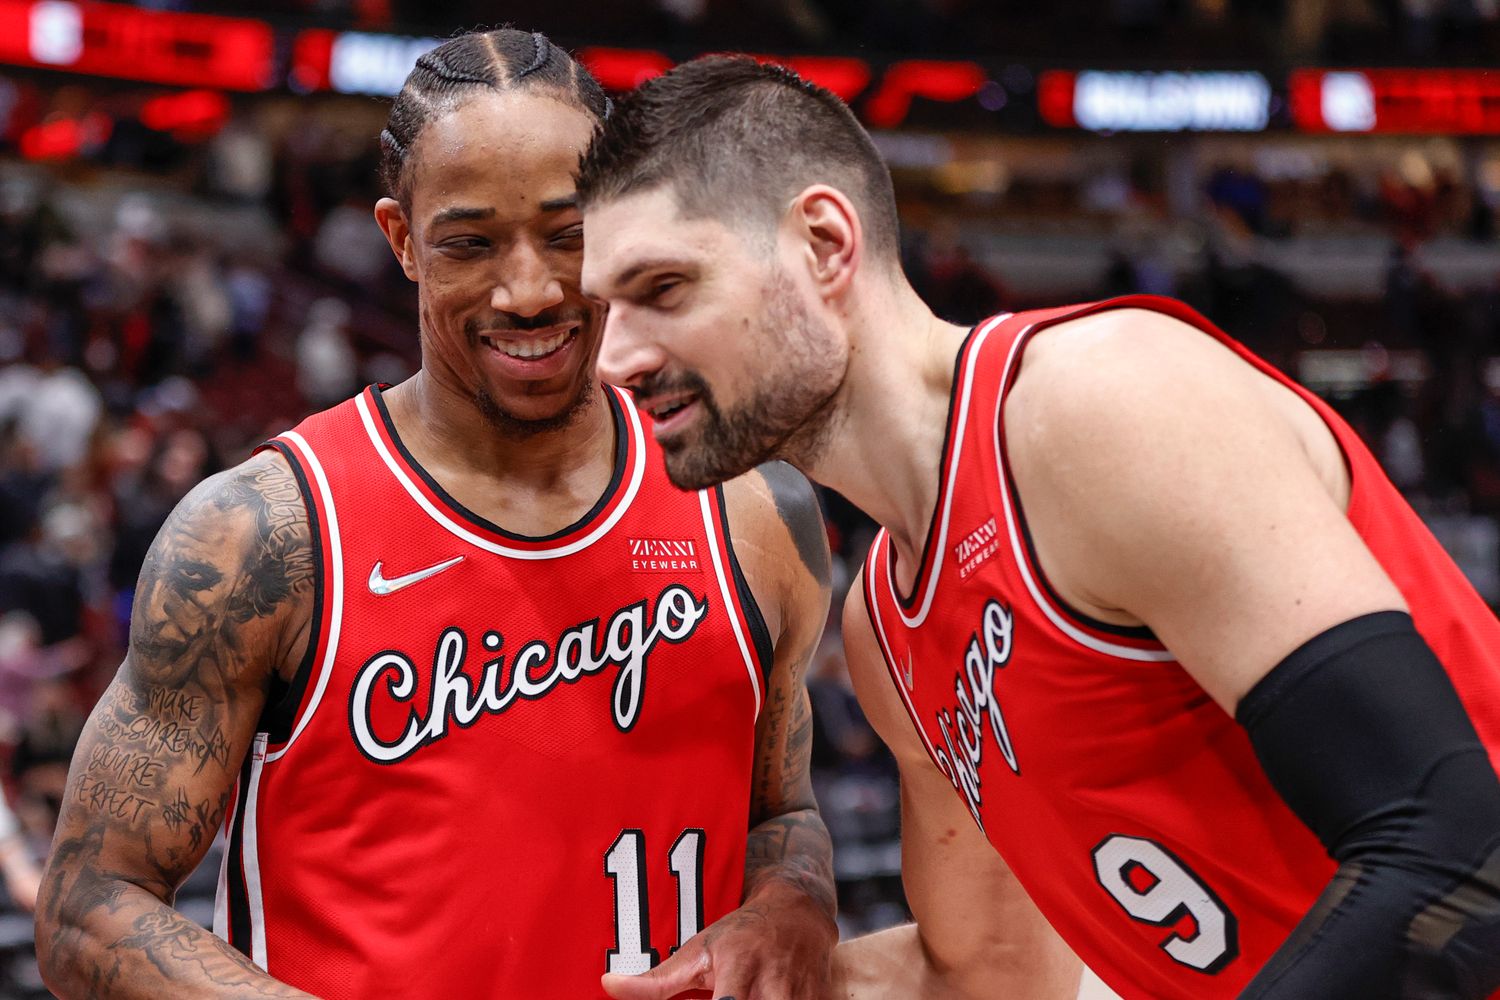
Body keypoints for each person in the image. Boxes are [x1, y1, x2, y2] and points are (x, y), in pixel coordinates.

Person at [576, 56, 1500, 999]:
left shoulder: (1094, 407)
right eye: (605, 309)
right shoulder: (886, 637)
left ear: (822, 243)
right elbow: (992, 971)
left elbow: (1462, 847)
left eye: (664, 289)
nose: (615, 359)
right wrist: (775, 959)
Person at [35, 32, 838, 1000]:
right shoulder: (263, 533)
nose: (530, 288)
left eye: (567, 230)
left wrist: (796, 897)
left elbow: (780, 810)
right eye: (470, 242)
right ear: (402, 239)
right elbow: (90, 899)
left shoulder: (752, 504)